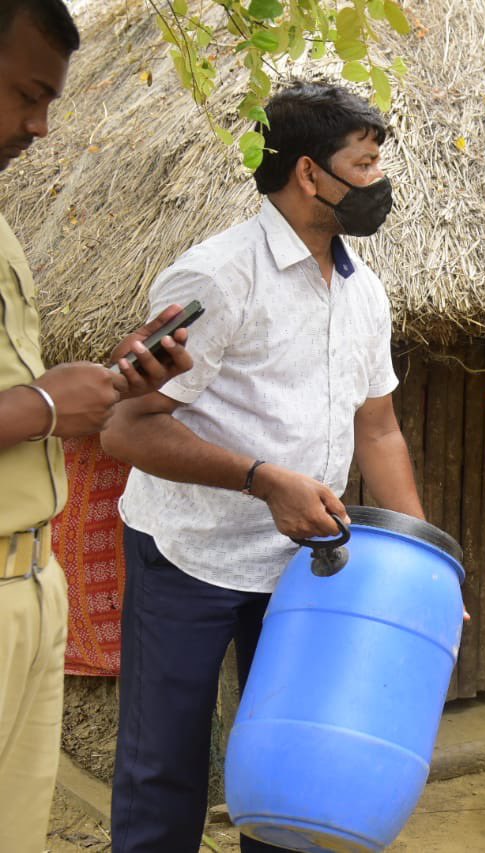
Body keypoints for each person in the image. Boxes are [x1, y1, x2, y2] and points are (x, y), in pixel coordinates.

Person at [101, 82, 425, 853]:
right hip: (191, 556)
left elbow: (378, 429)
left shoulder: (364, 291)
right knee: (164, 769)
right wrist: (262, 478)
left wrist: (421, 560)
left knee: (291, 771)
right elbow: (125, 428)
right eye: (366, 162)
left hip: (303, 568)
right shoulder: (216, 278)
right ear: (311, 174)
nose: (379, 180)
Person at [0, 3, 194, 849]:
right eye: (24, 95)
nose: (39, 128)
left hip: (32, 584)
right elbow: (22, 405)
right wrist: (41, 408)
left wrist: (94, 389)